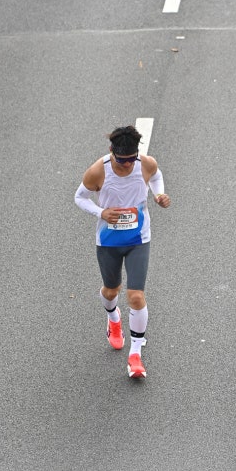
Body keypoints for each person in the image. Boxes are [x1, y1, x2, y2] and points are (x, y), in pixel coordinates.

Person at [75, 125, 171, 380]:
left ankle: (135, 355)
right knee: (111, 291)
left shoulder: (145, 164)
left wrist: (159, 194)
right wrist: (101, 212)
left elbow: (157, 177)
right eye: (122, 160)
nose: (128, 165)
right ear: (111, 152)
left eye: (131, 159)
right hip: (108, 241)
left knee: (136, 296)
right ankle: (113, 318)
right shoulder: (99, 170)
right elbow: (79, 197)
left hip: (139, 238)